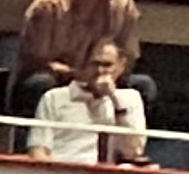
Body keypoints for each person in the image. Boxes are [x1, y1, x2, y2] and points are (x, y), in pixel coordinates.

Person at [14, 0, 145, 120]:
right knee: (40, 84)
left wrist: (106, 75)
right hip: (58, 78)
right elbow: (36, 60)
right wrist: (80, 76)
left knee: (143, 85)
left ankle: (132, 147)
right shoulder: (48, 5)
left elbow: (128, 57)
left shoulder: (124, 8)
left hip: (105, 77)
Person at [29, 36, 150, 166]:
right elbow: (38, 151)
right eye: (94, 64)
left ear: (121, 66)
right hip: (63, 172)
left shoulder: (130, 99)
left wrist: (114, 100)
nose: (100, 71)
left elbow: (133, 151)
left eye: (107, 65)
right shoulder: (54, 97)